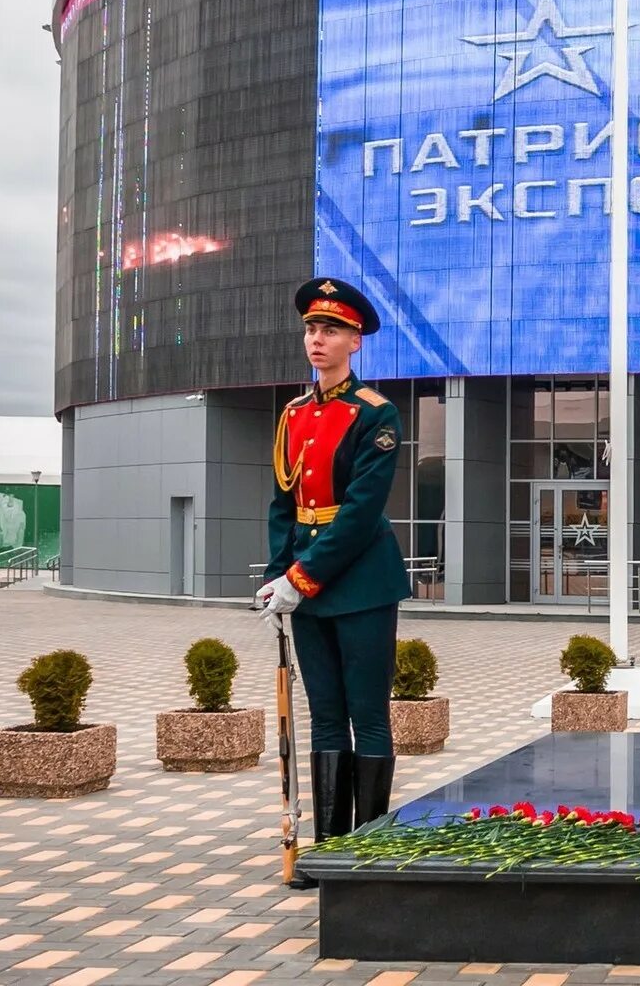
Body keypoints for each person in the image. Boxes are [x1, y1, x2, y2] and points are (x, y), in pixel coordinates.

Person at [254, 278, 411, 883]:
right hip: (305, 581)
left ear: (356, 342)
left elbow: (361, 511)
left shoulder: (376, 414)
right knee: (323, 715)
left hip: (361, 582)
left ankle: (367, 851)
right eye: (312, 330)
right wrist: (276, 577)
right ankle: (326, 852)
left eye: (332, 331)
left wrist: (303, 575)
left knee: (366, 714)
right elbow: (282, 503)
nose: (318, 340)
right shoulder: (293, 414)